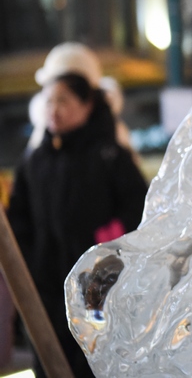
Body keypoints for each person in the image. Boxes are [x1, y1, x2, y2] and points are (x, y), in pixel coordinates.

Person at [8, 72, 149, 378]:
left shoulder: (109, 155)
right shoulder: (35, 161)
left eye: (63, 100)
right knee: (48, 361)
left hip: (98, 289)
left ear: (86, 106)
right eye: (48, 101)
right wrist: (29, 262)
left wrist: (107, 244)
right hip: (46, 288)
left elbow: (139, 210)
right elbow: (17, 219)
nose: (53, 109)